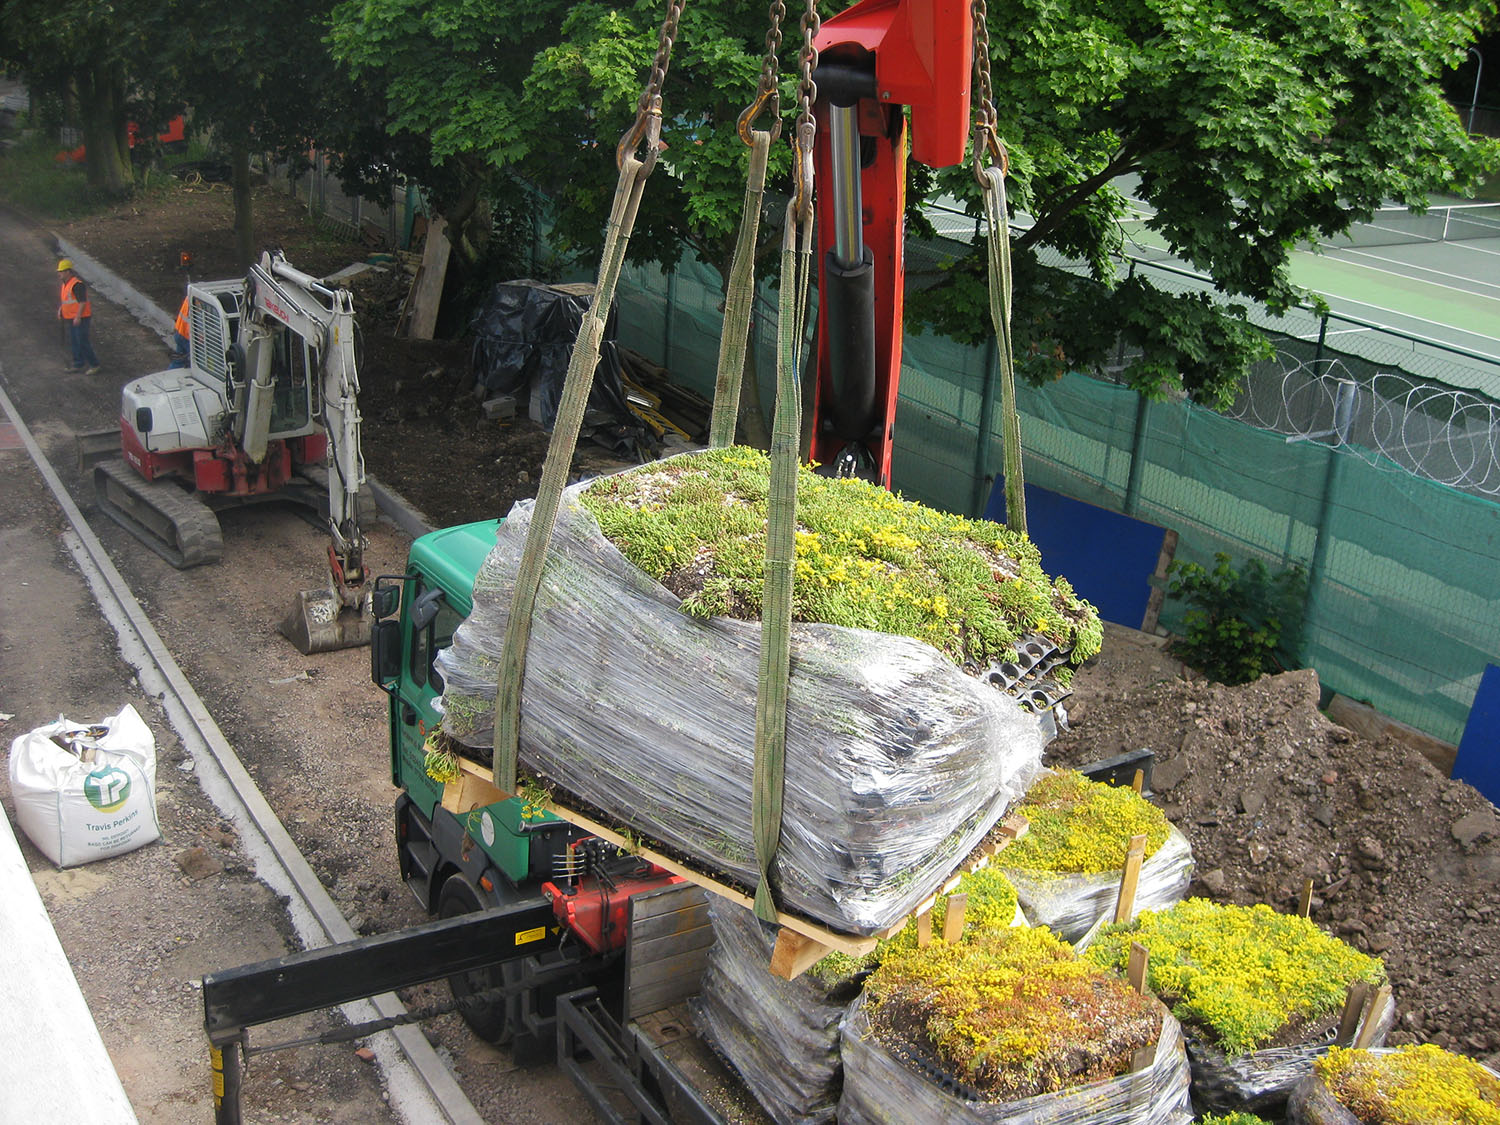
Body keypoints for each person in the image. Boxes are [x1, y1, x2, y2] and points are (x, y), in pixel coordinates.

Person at [57, 258, 101, 374]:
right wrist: (61, 309)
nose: (59, 273)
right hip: (71, 317)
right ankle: (78, 363)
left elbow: (83, 302)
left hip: (81, 318)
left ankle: (94, 364)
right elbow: (66, 300)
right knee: (75, 341)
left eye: (61, 271)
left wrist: (78, 316)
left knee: (82, 341)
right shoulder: (65, 284)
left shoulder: (77, 285)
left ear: (68, 272)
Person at [170, 293, 191, 368]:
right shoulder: (200, 303)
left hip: (179, 332)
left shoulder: (190, 297)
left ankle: (171, 376)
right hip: (188, 338)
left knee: (179, 359)